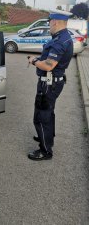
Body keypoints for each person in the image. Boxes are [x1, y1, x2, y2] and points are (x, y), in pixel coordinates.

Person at [27, 9, 73, 161]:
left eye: (49, 22)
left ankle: (46, 151)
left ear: (55, 21)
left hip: (49, 84)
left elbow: (48, 65)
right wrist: (39, 58)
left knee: (41, 117)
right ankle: (47, 137)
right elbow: (48, 58)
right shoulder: (62, 37)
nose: (49, 25)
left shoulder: (60, 41)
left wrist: (34, 61)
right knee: (48, 113)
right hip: (53, 83)